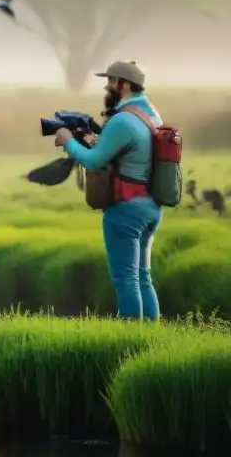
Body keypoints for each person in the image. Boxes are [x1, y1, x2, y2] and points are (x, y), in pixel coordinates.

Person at [52, 60, 163, 321]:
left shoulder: (123, 120)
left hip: (125, 208)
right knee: (142, 275)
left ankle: (130, 341)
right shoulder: (150, 115)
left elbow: (93, 161)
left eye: (112, 81)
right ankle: (152, 338)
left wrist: (68, 141)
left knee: (126, 279)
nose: (107, 86)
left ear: (124, 84)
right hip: (151, 205)